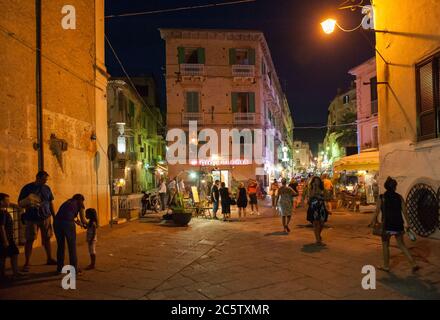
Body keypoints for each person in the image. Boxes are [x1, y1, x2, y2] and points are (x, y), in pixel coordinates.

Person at [369, 177, 419, 273]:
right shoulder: (399, 197)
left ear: (386, 187)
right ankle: (413, 263)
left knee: (385, 245)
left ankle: (386, 266)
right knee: (401, 245)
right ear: (395, 187)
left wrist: (372, 221)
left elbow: (376, 211)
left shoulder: (381, 197)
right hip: (398, 224)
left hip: (386, 225)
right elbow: (405, 211)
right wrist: (408, 224)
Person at [18, 171, 57, 272]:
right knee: (30, 240)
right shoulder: (27, 188)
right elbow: (20, 202)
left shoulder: (47, 188)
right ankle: (27, 262)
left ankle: (49, 258)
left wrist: (54, 215)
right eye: (44, 179)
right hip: (32, 218)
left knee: (47, 238)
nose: (45, 181)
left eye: (46, 179)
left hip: (46, 217)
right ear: (37, 178)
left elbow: (50, 202)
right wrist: (29, 204)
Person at [53, 194, 87, 274]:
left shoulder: (67, 202)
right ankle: (74, 269)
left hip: (57, 222)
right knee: (72, 246)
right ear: (81, 200)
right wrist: (89, 224)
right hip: (68, 224)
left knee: (60, 246)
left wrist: (78, 223)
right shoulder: (80, 204)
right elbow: (83, 220)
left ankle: (59, 268)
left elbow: (67, 215)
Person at [0, 193, 23, 280]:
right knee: (12, 254)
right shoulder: (2, 213)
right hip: (6, 238)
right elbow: (1, 227)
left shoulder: (3, 211)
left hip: (6, 238)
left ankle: (9, 273)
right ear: (1, 202)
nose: (9, 202)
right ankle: (12, 274)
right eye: (7, 200)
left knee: (4, 256)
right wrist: (5, 240)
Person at [307, 177, 328, 245]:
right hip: (313, 207)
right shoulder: (311, 189)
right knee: (315, 223)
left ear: (320, 182)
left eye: (317, 181)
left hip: (321, 207)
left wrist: (321, 198)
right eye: (315, 181)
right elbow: (310, 197)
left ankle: (318, 235)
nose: (316, 182)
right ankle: (318, 240)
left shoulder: (322, 189)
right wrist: (314, 188)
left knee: (322, 223)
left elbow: (327, 197)